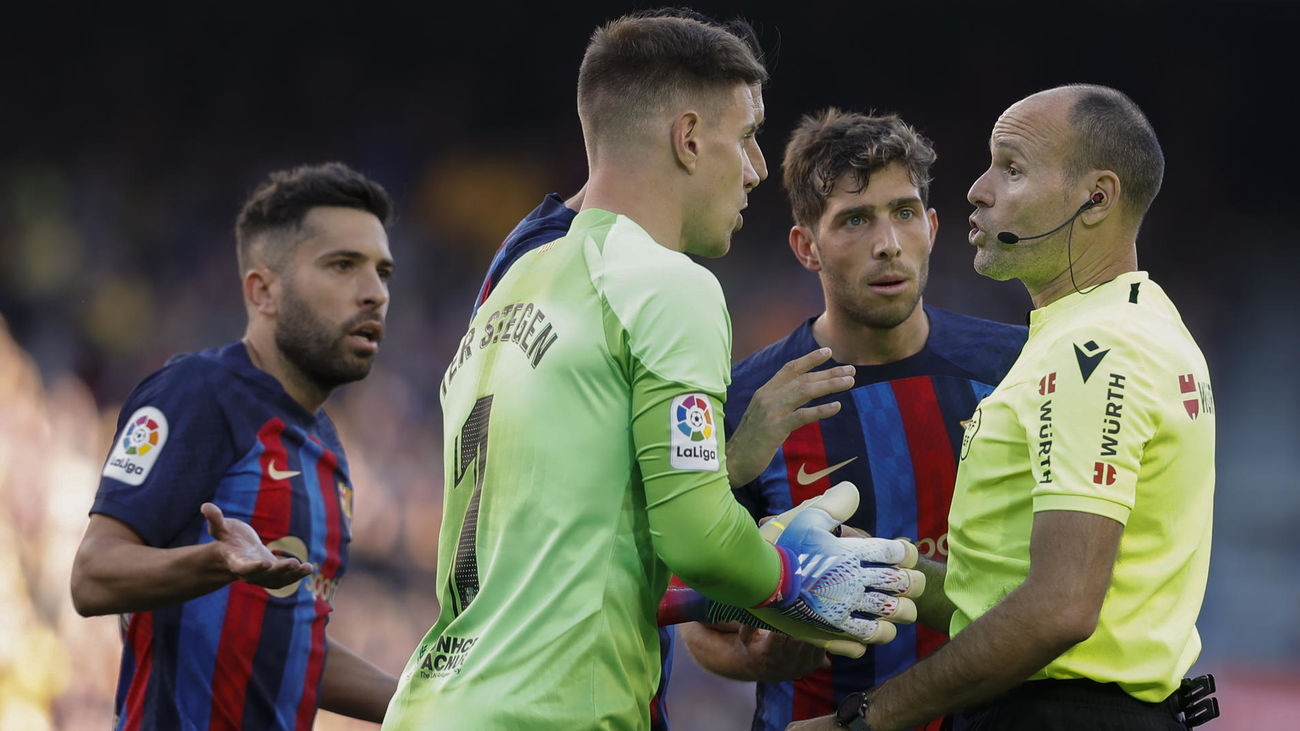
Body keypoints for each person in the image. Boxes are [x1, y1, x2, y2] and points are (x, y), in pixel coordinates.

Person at [382, 13, 918, 731]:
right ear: (690, 138)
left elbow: (572, 548)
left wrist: (733, 582)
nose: (758, 168)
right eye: (748, 135)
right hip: (553, 714)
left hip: (435, 703)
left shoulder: (511, 284)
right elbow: (695, 536)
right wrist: (792, 579)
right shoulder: (667, 284)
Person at [789, 85, 1216, 730]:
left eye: (1011, 168)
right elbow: (1006, 593)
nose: (977, 190)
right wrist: (882, 564)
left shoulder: (1091, 349)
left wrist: (862, 721)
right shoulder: (1133, 322)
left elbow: (1061, 608)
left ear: (1095, 198)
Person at [676, 109, 1027, 731]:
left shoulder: (1018, 368)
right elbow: (702, 618)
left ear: (933, 226)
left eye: (904, 212)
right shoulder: (745, 403)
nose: (887, 242)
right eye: (855, 220)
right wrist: (762, 654)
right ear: (806, 246)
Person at [70, 162, 400, 730]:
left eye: (383, 271)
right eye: (343, 265)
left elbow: (293, 648)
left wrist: (432, 707)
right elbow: (92, 574)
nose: (374, 293)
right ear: (263, 291)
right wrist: (216, 561)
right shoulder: (198, 394)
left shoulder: (326, 451)